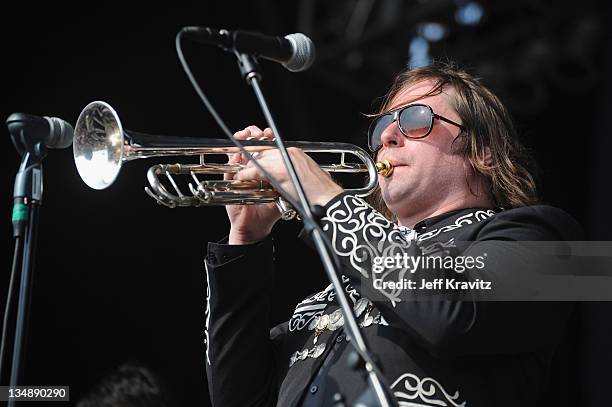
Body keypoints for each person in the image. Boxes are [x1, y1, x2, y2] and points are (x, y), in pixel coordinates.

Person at [203, 62, 582, 406]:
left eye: (415, 119)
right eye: (383, 127)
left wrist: (319, 192)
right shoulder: (335, 290)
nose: (388, 138)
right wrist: (245, 239)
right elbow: (235, 397)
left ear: (482, 150)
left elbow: (450, 316)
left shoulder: (556, 245)